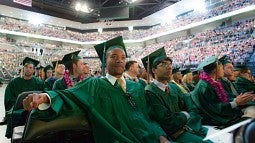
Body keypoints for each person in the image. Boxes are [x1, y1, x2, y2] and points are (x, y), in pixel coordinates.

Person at [23, 36, 170, 143]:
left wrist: (161, 136)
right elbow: (68, 96)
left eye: (123, 57)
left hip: (151, 138)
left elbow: (149, 117)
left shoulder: (137, 87)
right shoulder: (94, 85)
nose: (119, 60)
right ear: (105, 62)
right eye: (114, 56)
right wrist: (45, 97)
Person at [142, 47, 210, 143]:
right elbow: (167, 121)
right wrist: (186, 115)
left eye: (170, 64)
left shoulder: (174, 87)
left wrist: (187, 121)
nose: (169, 67)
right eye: (163, 64)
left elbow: (191, 107)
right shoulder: (149, 92)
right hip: (171, 136)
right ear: (153, 70)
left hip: (187, 129)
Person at [191, 56, 255, 127]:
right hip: (213, 117)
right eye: (221, 68)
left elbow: (225, 98)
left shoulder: (215, 81)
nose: (223, 71)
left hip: (222, 112)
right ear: (216, 70)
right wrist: (236, 102)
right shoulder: (204, 86)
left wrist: (240, 99)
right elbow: (215, 107)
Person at [3, 57, 45, 138]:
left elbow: (43, 95)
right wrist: (20, 104)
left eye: (30, 67)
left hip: (35, 108)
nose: (28, 69)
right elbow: (9, 98)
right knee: (15, 114)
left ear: (33, 70)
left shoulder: (39, 83)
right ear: (23, 68)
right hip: (18, 108)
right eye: (26, 66)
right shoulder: (14, 82)